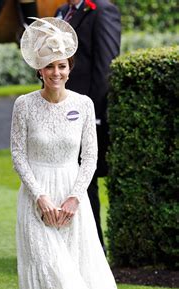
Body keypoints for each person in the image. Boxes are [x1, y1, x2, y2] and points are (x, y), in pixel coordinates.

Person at [10, 17, 125, 289]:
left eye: (62, 66)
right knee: (51, 277)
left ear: (68, 67)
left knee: (64, 282)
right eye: (50, 66)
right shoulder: (24, 105)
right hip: (36, 198)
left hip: (72, 196)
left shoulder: (83, 103)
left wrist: (75, 197)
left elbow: (90, 156)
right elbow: (18, 155)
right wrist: (41, 197)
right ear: (39, 70)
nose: (56, 72)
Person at [54, 0, 121, 249]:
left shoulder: (102, 10)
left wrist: (91, 115)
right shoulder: (61, 12)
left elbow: (106, 67)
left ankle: (94, 249)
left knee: (84, 182)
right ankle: (68, 245)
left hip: (85, 116)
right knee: (62, 179)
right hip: (56, 113)